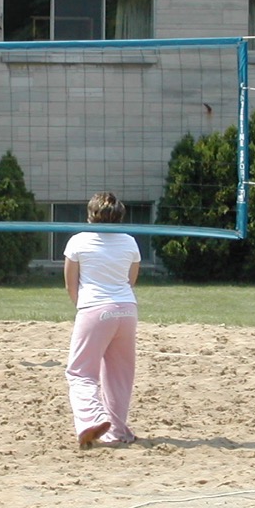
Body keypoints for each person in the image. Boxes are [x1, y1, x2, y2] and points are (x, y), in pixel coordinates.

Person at [63, 191, 142, 448]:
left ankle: (92, 420)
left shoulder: (78, 241)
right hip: (127, 310)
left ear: (90, 214)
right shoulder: (130, 242)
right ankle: (116, 430)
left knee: (80, 372)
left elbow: (71, 284)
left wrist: (85, 308)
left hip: (95, 308)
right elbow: (130, 281)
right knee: (120, 375)